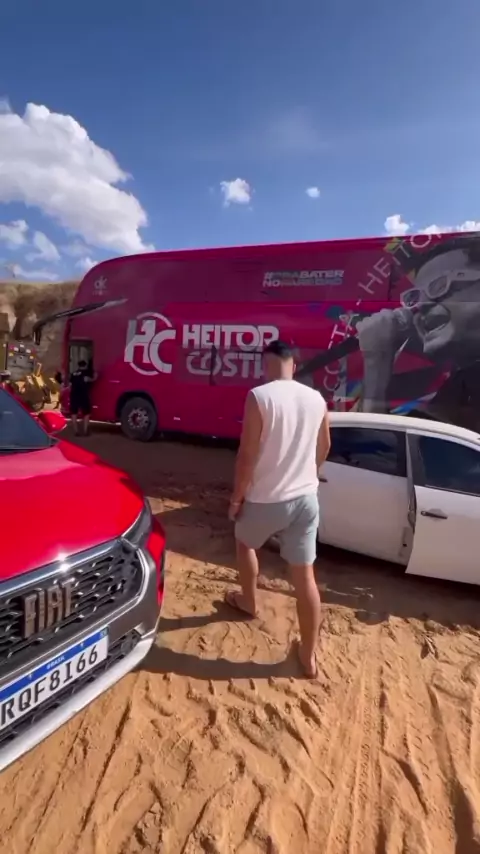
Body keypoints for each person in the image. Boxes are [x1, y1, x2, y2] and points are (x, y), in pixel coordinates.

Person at [227, 339, 331, 679]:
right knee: (305, 578)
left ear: (265, 364)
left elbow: (246, 456)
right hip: (306, 500)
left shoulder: (259, 396)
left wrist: (236, 499)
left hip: (266, 498)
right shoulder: (316, 398)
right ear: (294, 366)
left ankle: (249, 601)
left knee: (245, 543)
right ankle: (308, 656)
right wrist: (308, 473)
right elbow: (325, 445)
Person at [356, 238, 480, 429]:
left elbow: (376, 444)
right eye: (415, 297)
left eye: (439, 286)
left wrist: (376, 361)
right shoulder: (460, 385)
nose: (420, 306)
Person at [69, 359, 95, 436]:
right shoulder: (86, 373)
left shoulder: (73, 374)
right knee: (86, 413)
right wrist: (95, 377)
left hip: (74, 395)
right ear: (85, 366)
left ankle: (76, 431)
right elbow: (90, 380)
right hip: (83, 395)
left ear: (78, 366)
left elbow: (70, 384)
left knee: (74, 413)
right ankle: (85, 431)